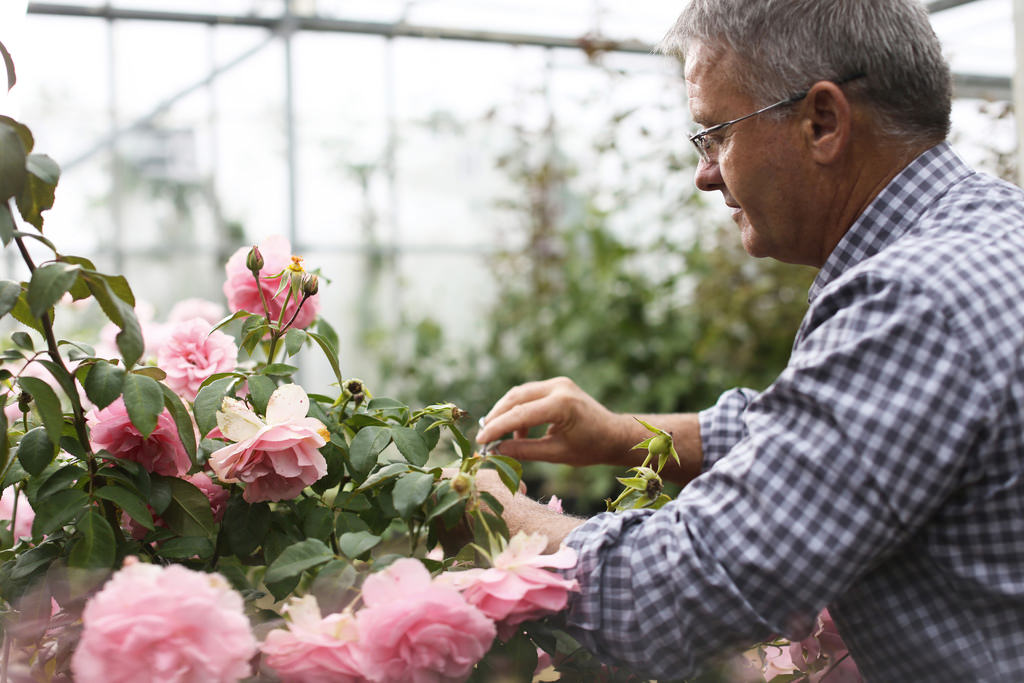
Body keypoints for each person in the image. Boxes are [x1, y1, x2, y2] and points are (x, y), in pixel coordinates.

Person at [471, 0, 1024, 680]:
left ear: (822, 122)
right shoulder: (993, 229)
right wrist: (624, 436)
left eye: (716, 133)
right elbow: (822, 441)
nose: (705, 173)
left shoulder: (916, 300)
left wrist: (493, 517)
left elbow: (675, 594)